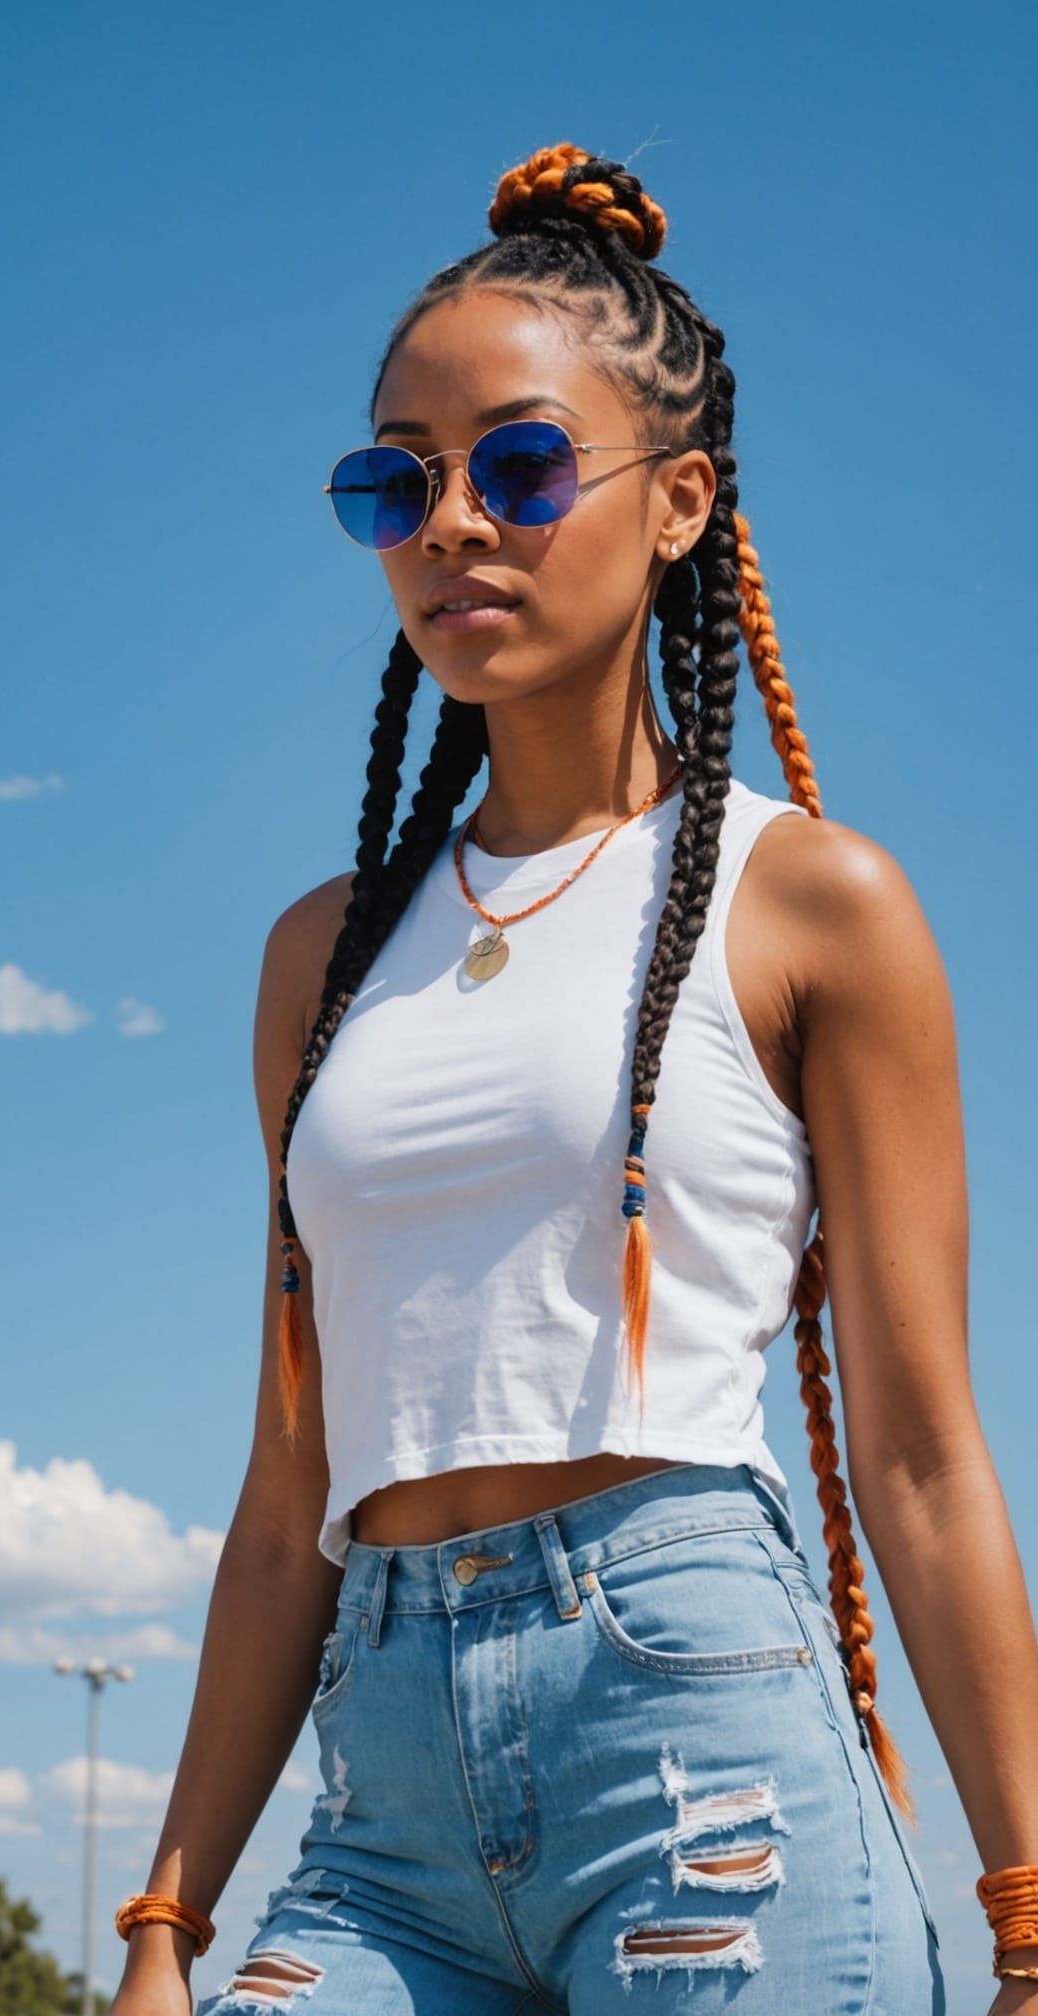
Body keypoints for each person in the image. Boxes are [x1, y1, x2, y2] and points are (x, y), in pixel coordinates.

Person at [109, 144, 1038, 2015]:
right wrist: (164, 1929)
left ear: (679, 500)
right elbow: (290, 1489)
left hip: (705, 1745)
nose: (454, 523)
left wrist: (1031, 1912)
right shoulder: (319, 958)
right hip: (381, 1804)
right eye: (397, 481)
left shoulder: (813, 905)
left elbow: (921, 1453)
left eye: (522, 468)